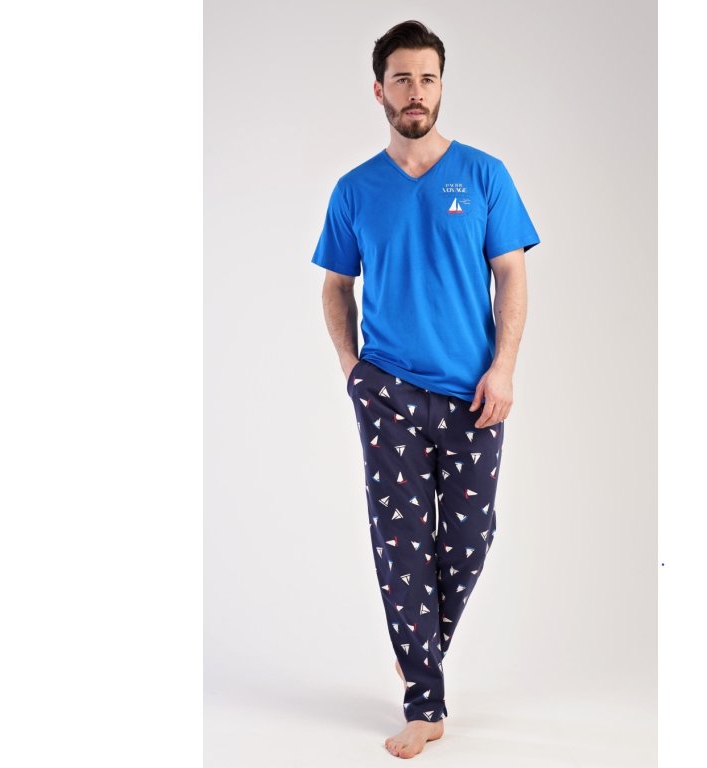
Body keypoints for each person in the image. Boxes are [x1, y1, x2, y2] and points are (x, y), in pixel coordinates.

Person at [310, 19, 540, 759]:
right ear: (379, 90)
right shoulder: (354, 190)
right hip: (386, 393)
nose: (416, 91)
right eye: (402, 78)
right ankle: (425, 702)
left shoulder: (484, 175)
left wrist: (504, 367)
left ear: (442, 86)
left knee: (471, 537)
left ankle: (420, 651)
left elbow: (512, 275)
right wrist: (351, 367)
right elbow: (335, 285)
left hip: (475, 394)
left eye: (428, 78)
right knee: (400, 543)